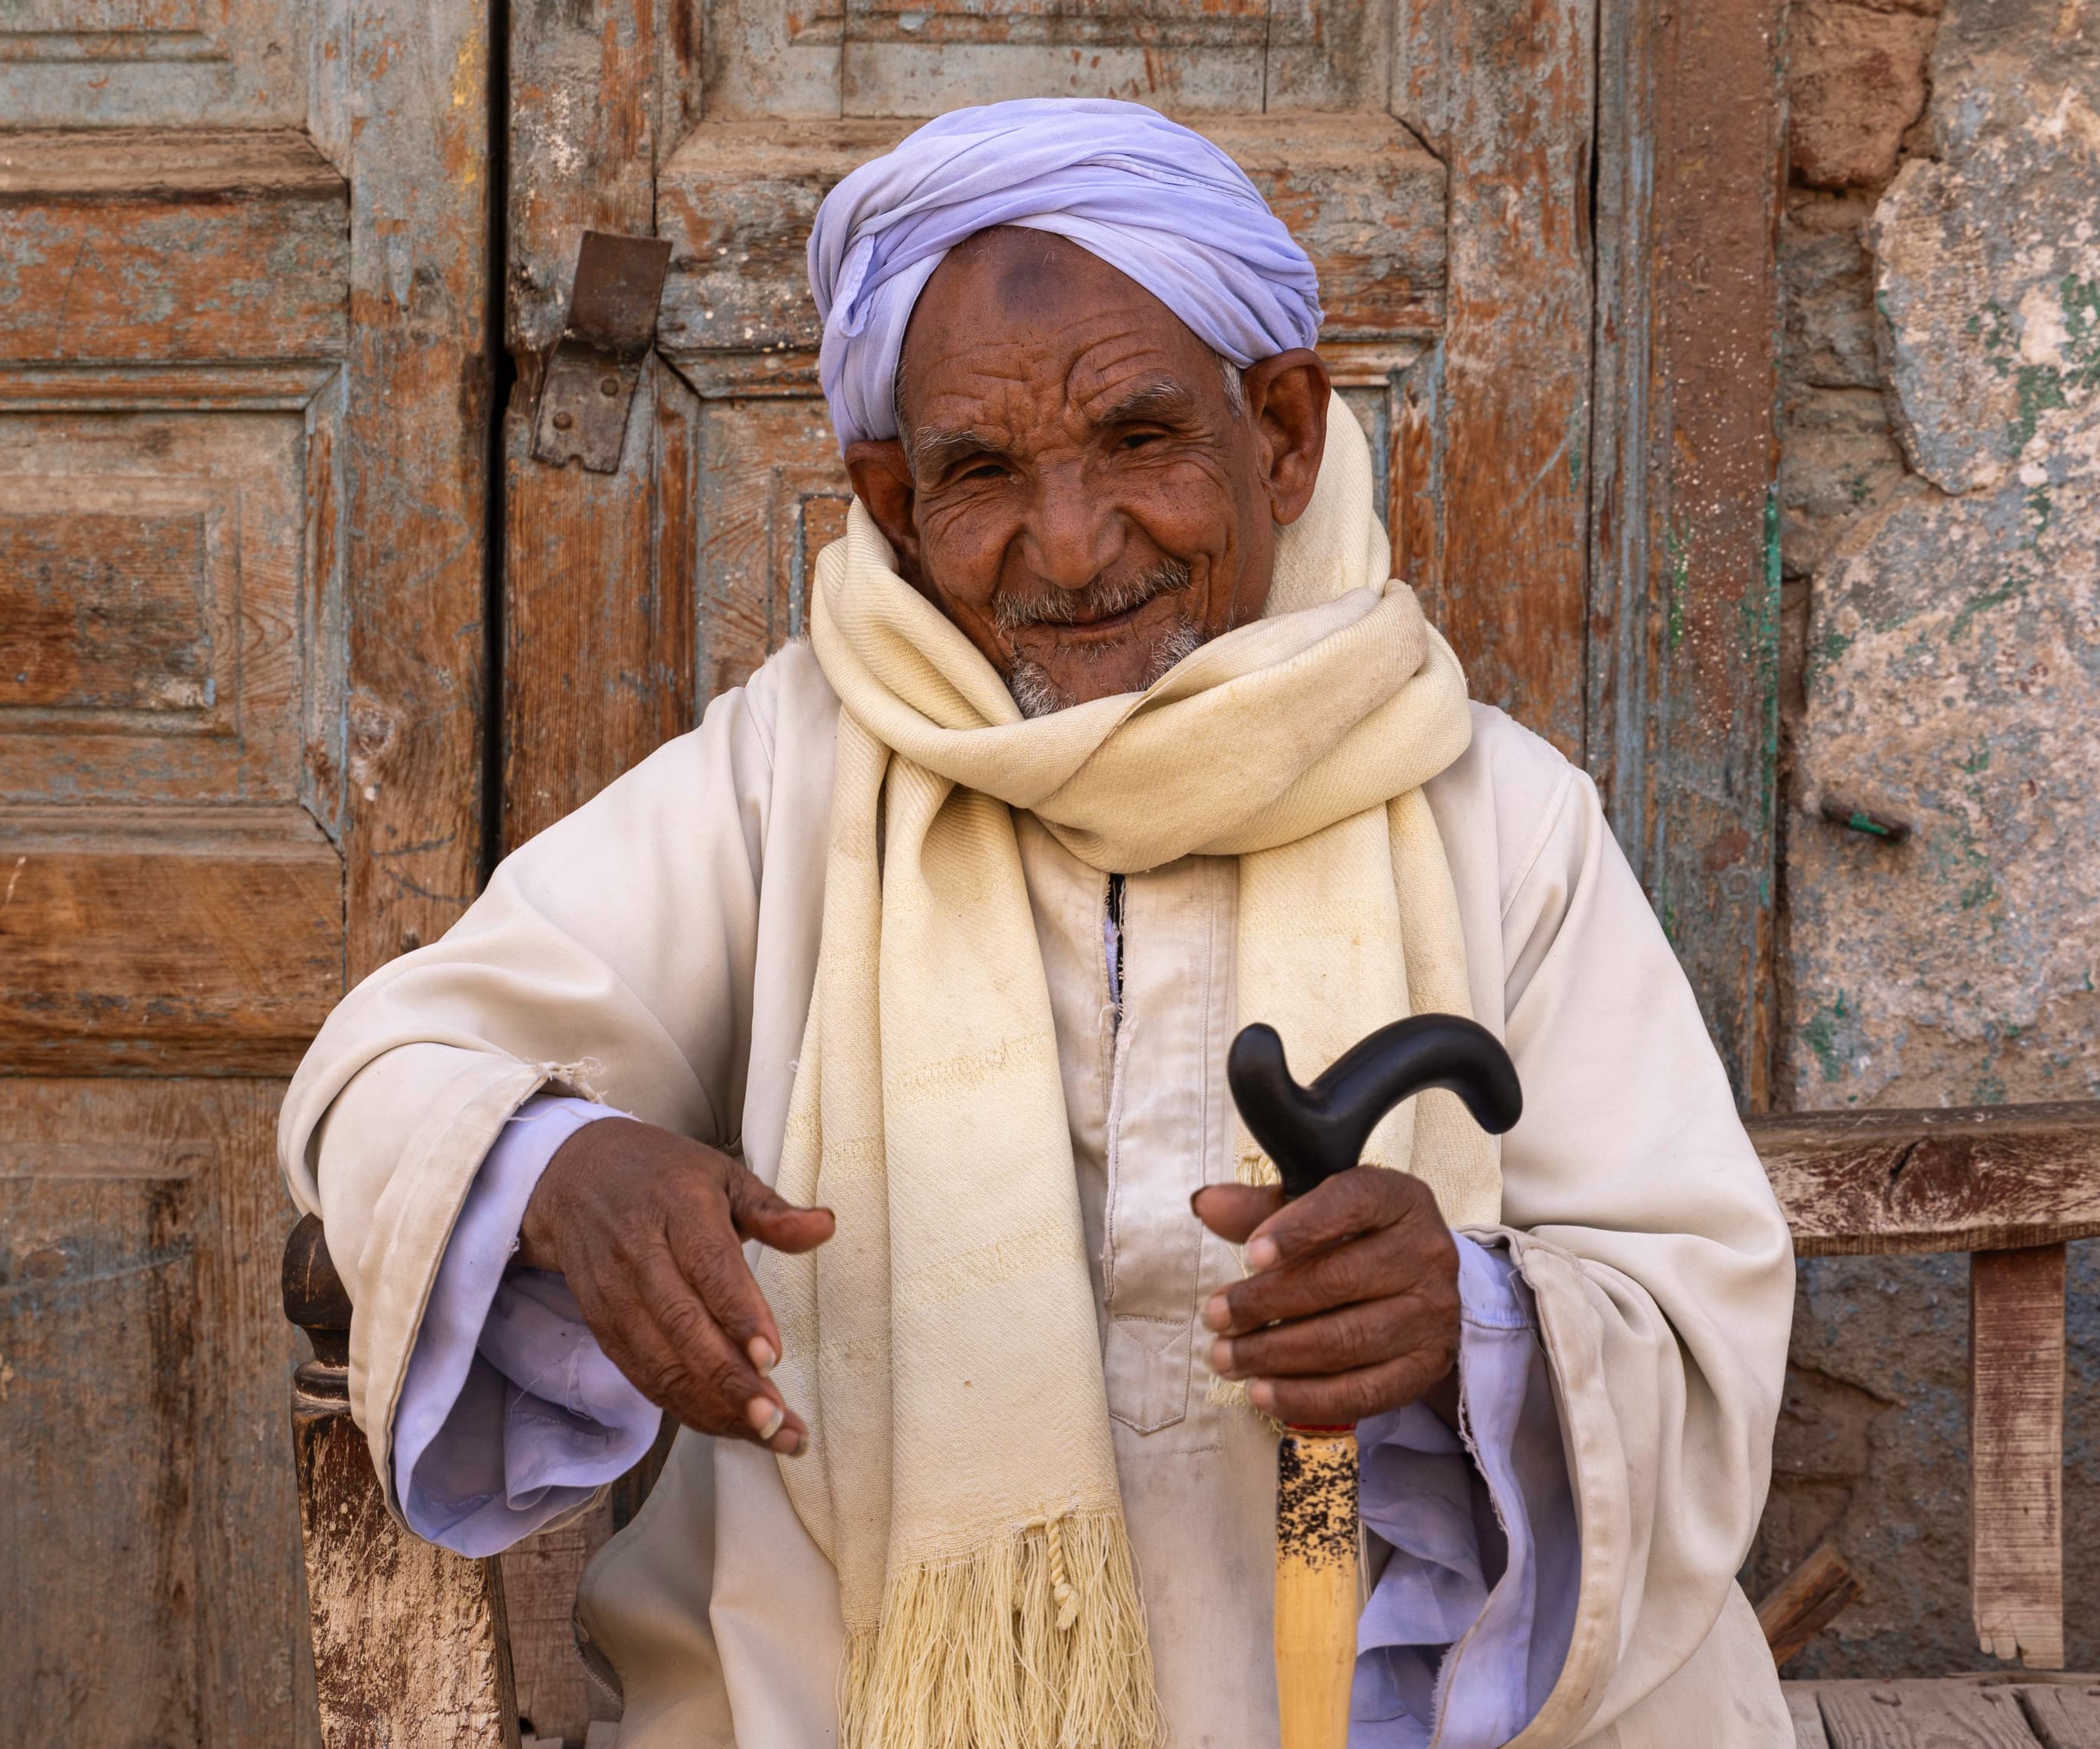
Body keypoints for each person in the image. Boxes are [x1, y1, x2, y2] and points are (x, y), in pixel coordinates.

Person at [279, 97, 1794, 1748]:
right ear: (891, 498)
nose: (1070, 547)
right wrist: (564, 1174)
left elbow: (1694, 1318)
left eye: (1142, 442)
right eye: (985, 475)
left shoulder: (1498, 815)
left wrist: (1474, 1330)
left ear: (1280, 432)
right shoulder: (784, 782)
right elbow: (392, 1072)